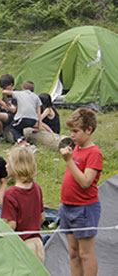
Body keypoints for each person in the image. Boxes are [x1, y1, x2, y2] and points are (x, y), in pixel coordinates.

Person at [59, 108, 103, 276]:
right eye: (71, 130)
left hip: (84, 208)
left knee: (85, 253)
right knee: (73, 252)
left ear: (89, 130)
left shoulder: (94, 153)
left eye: (76, 131)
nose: (72, 135)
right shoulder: (76, 148)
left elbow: (85, 182)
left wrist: (69, 161)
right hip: (67, 206)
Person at [1, 146, 45, 262]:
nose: (5, 166)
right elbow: (42, 217)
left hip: (22, 246)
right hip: (38, 244)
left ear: (15, 166)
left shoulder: (10, 194)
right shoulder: (37, 188)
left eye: (8, 163)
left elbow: (12, 225)